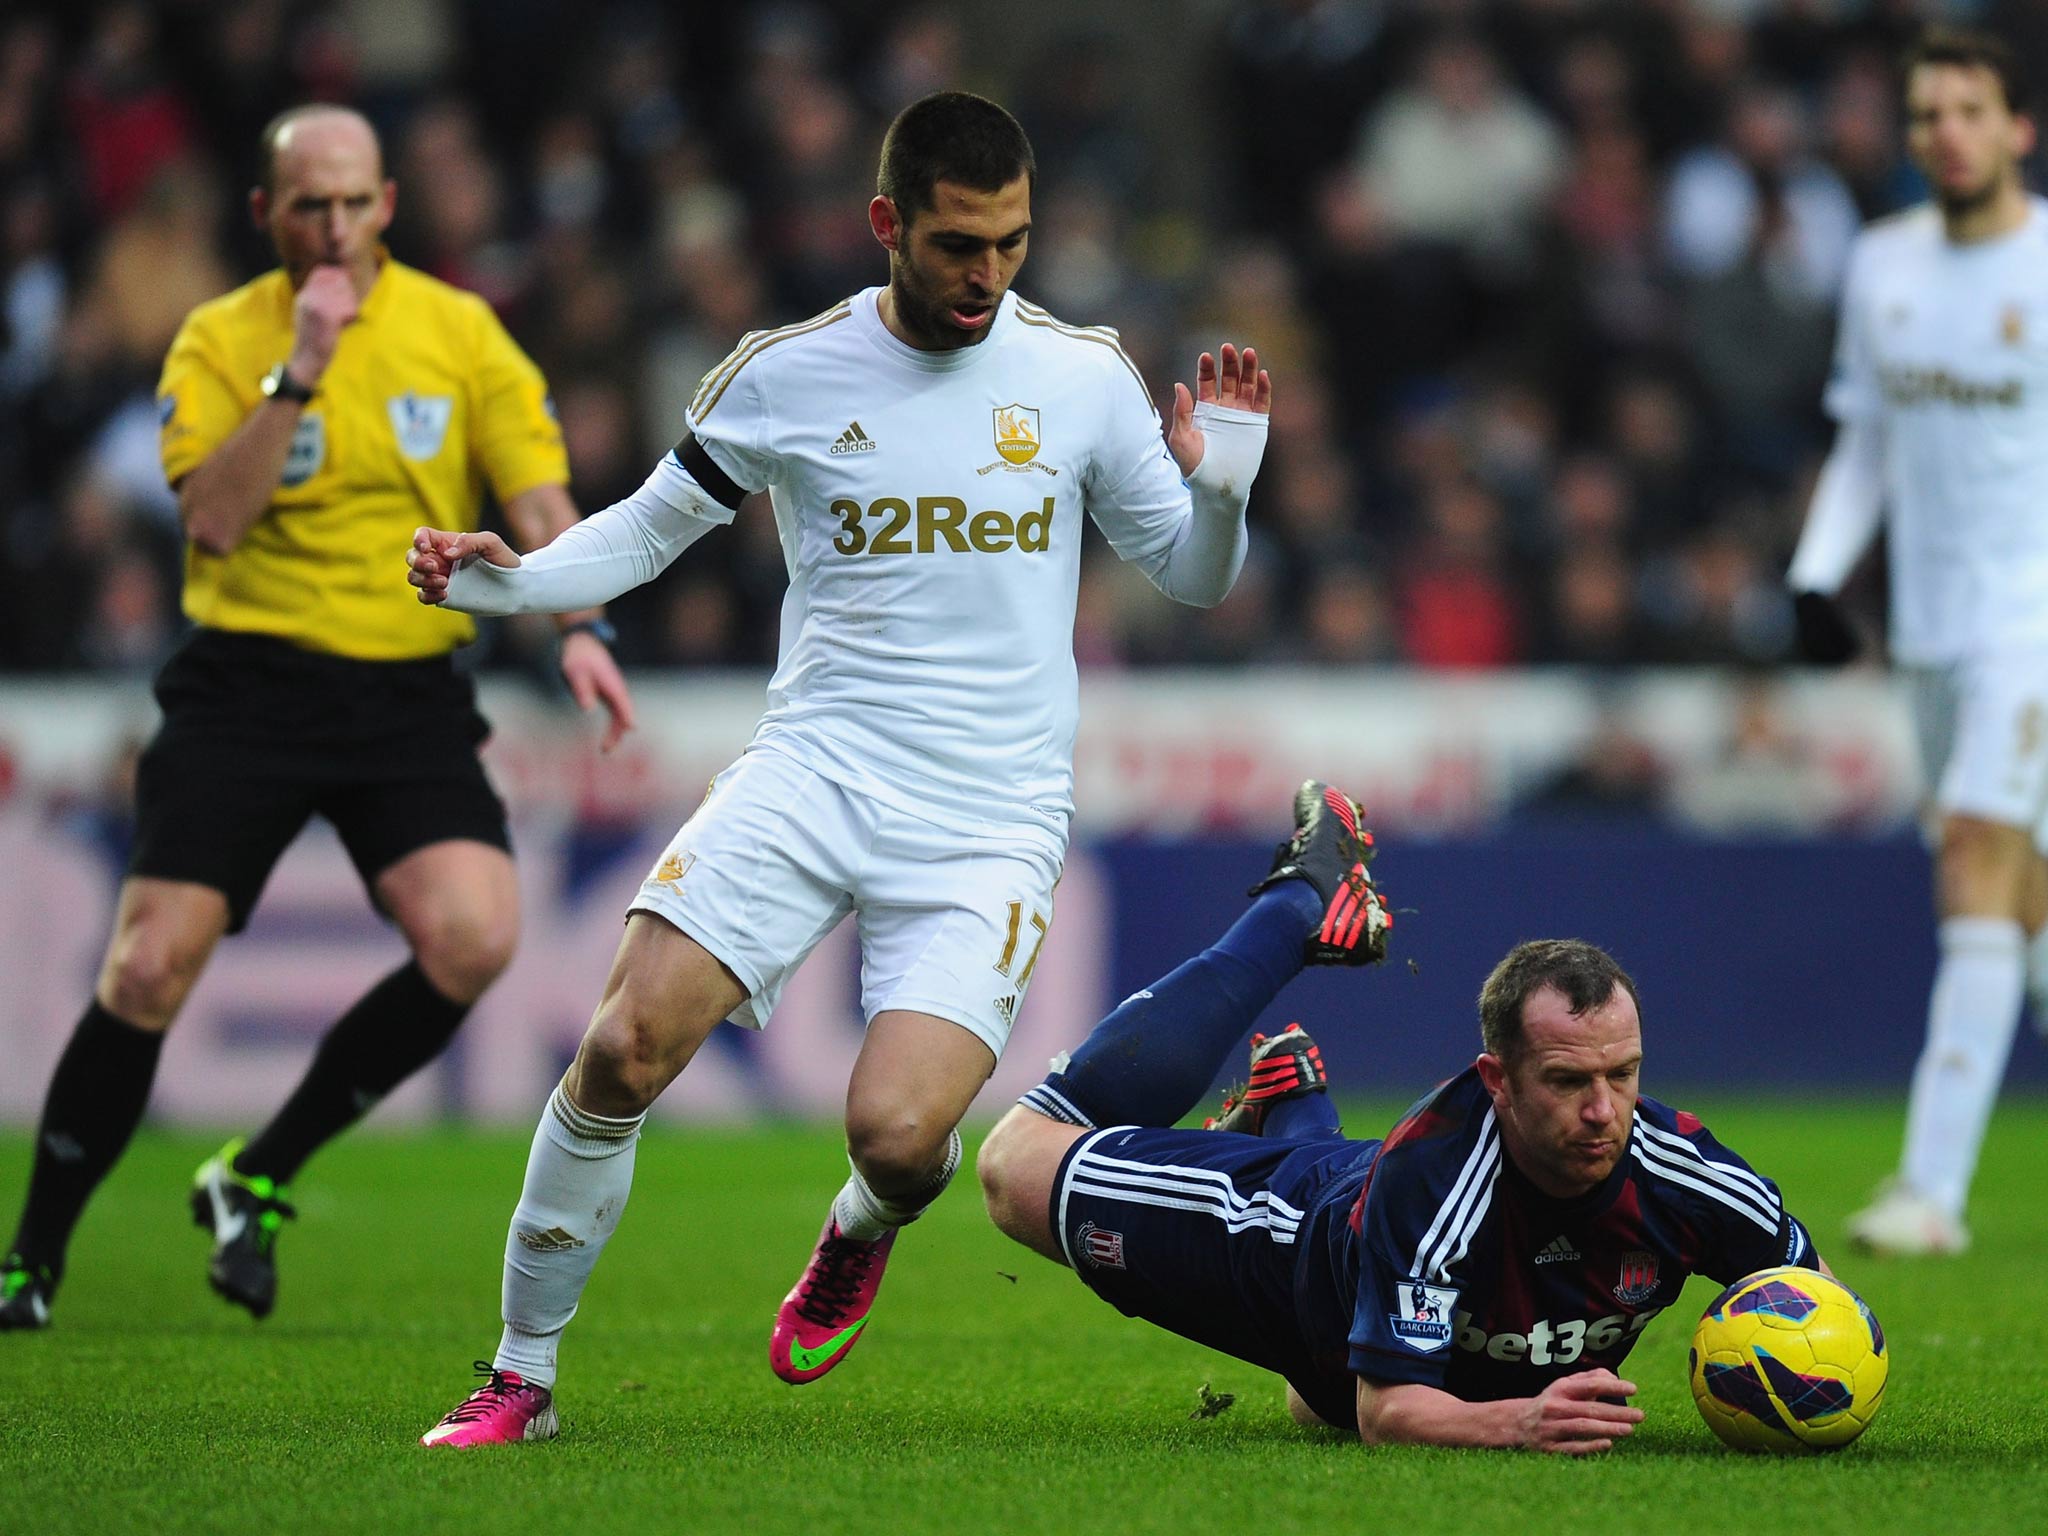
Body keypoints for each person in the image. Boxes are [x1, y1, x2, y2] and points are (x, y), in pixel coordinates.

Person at [411, 90, 1277, 1446]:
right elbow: (647, 530)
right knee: (625, 1045)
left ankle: (862, 1224)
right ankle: (522, 1375)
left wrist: (1220, 490)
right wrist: (509, 586)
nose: (988, 275)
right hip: (814, 771)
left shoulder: (1081, 376)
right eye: (957, 245)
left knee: (898, 1138)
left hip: (989, 815)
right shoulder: (788, 372)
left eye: (1012, 243)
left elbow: (1196, 580)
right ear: (888, 223)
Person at [0, 106, 633, 1332]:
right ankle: (30, 1259)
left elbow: (540, 491)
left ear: (389, 202)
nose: (335, 226)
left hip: (403, 691)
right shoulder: (219, 339)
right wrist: (299, 368)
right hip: (246, 681)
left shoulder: (460, 333)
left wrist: (580, 629)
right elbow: (213, 523)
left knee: (475, 936)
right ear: (265, 215)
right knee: (148, 963)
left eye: (354, 202)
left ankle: (258, 1172)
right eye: (309, 206)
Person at [976, 781, 1826, 1453]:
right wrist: (1521, 1424)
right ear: (1498, 1080)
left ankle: (1293, 1100)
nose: (1604, 1110)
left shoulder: (1689, 1175)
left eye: (1624, 1074)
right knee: (1013, 1167)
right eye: (1567, 1081)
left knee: (1317, 1414)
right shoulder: (1441, 1175)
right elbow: (1390, 1413)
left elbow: (1809, 1294)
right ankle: (1296, 911)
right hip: (1293, 1243)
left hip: (1395, 1298)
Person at [1788, 27, 2048, 1256]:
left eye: (1966, 107)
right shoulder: (1883, 266)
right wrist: (1812, 575)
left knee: (1977, 857)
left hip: (2031, 615)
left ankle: (1927, 1193)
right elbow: (1866, 445)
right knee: (2016, 890)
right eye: (1923, 111)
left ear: (2015, 129)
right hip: (1932, 633)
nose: (1942, 129)